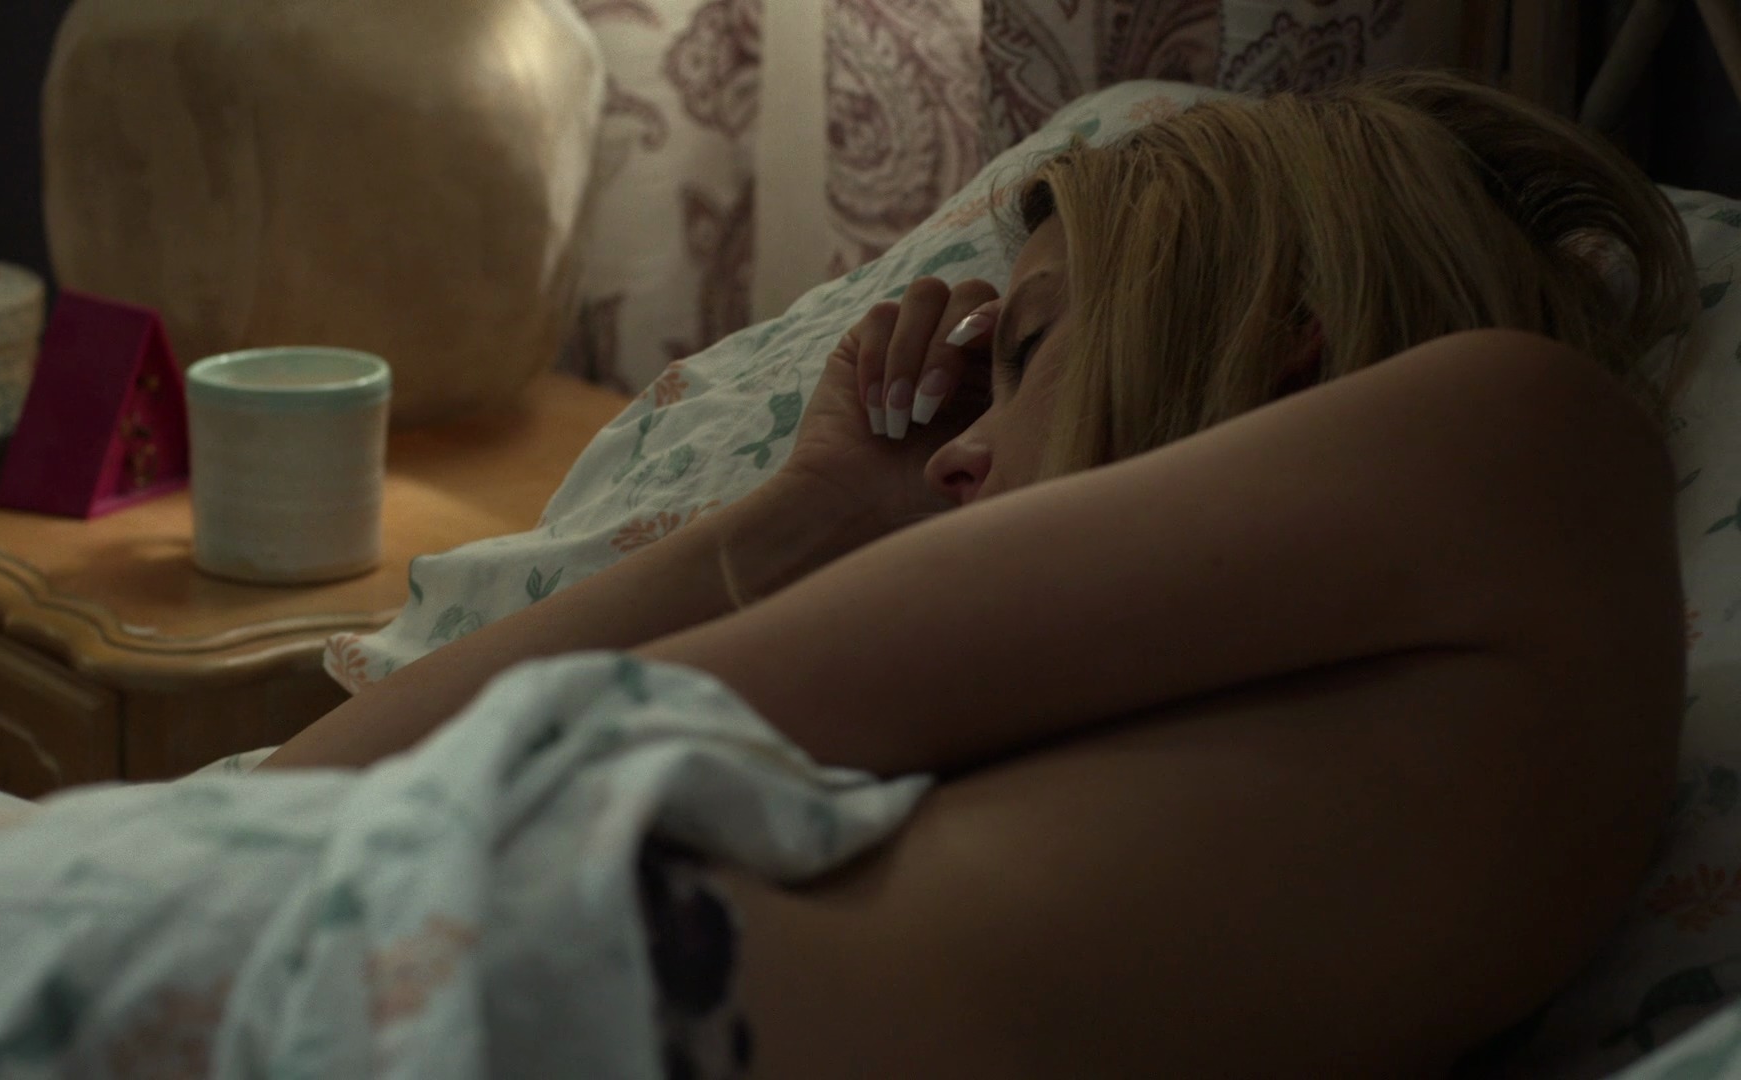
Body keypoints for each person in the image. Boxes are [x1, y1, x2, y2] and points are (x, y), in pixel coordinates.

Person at [263, 70, 1699, 1078]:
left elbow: (414, 800)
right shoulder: (1092, 709)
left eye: (1027, 352)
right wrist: (811, 514)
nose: (958, 446)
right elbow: (295, 810)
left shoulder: (1529, 439)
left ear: (1275, 333)